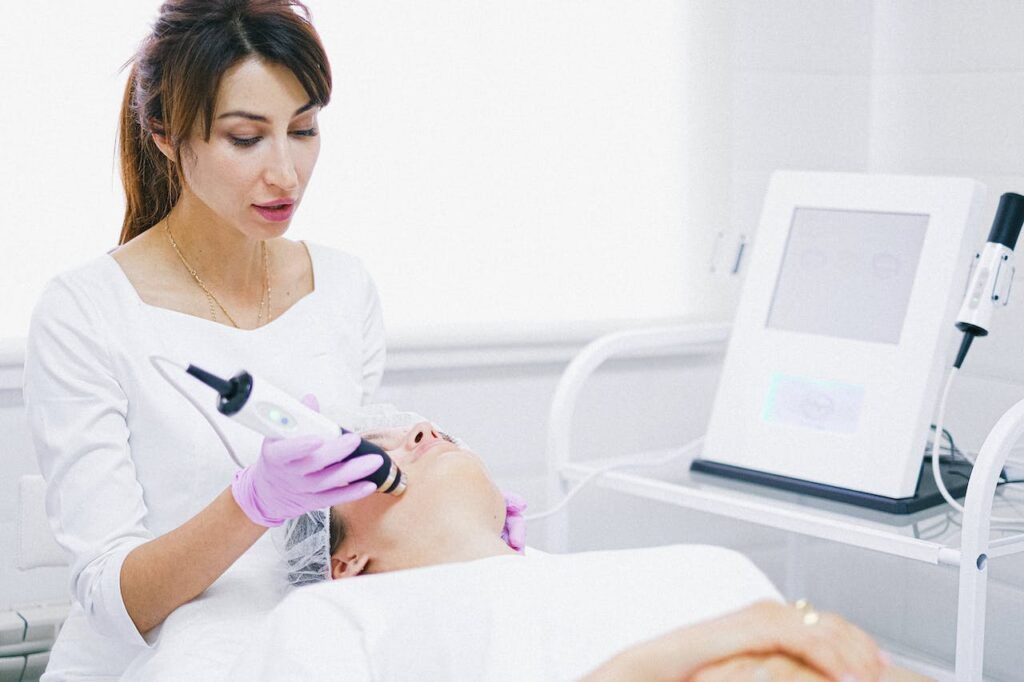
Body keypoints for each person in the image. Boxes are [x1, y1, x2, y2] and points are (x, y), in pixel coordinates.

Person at [21, 3, 520, 679]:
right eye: (246, 138)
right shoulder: (86, 312)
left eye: (304, 128)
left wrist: (456, 527)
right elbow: (114, 601)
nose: (286, 173)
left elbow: (345, 526)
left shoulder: (343, 287)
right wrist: (249, 504)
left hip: (305, 648)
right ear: (166, 133)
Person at [230, 423, 923, 682]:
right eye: (364, 456)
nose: (417, 428)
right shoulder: (333, 615)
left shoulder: (681, 564)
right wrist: (730, 639)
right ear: (344, 560)